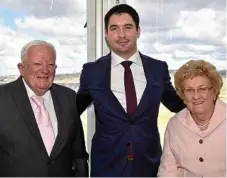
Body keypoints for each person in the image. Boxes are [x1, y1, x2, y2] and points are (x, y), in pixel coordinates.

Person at [76, 4, 185, 177]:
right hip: (106, 167)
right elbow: (72, 111)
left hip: (149, 164)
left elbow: (179, 106)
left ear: (138, 30)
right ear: (106, 33)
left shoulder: (158, 69)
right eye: (114, 28)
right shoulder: (92, 71)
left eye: (127, 27)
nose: (121, 35)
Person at [0, 40, 88, 177]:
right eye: (37, 64)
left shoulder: (69, 97)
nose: (45, 70)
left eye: (51, 64)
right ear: (21, 68)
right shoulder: (3, 98)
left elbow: (79, 154)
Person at [157, 60, 226, 177]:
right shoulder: (174, 124)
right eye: (189, 90)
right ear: (182, 95)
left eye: (202, 89)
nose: (196, 96)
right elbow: (167, 171)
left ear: (214, 91)